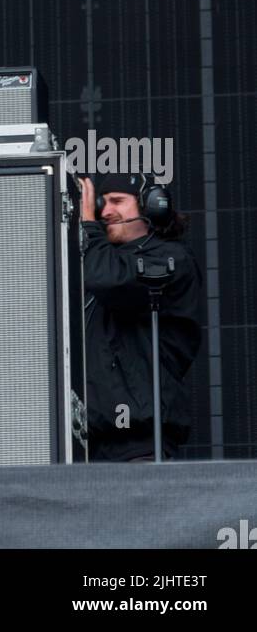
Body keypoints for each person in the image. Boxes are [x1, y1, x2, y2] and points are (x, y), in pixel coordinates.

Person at [79, 171, 202, 462]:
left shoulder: (172, 258)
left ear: (151, 206)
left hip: (141, 446)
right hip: (92, 447)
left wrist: (89, 227)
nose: (106, 212)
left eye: (118, 201)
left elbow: (110, 279)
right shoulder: (97, 262)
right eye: (101, 204)